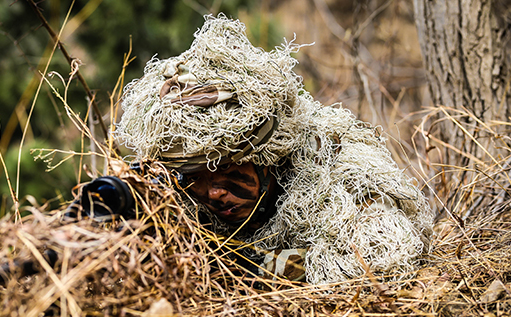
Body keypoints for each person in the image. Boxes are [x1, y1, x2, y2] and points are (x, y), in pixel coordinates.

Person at [115, 15, 433, 285]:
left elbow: (382, 254)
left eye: (223, 169)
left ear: (266, 159)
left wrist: (243, 269)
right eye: (193, 176)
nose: (212, 193)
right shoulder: (185, 200)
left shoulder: (338, 168)